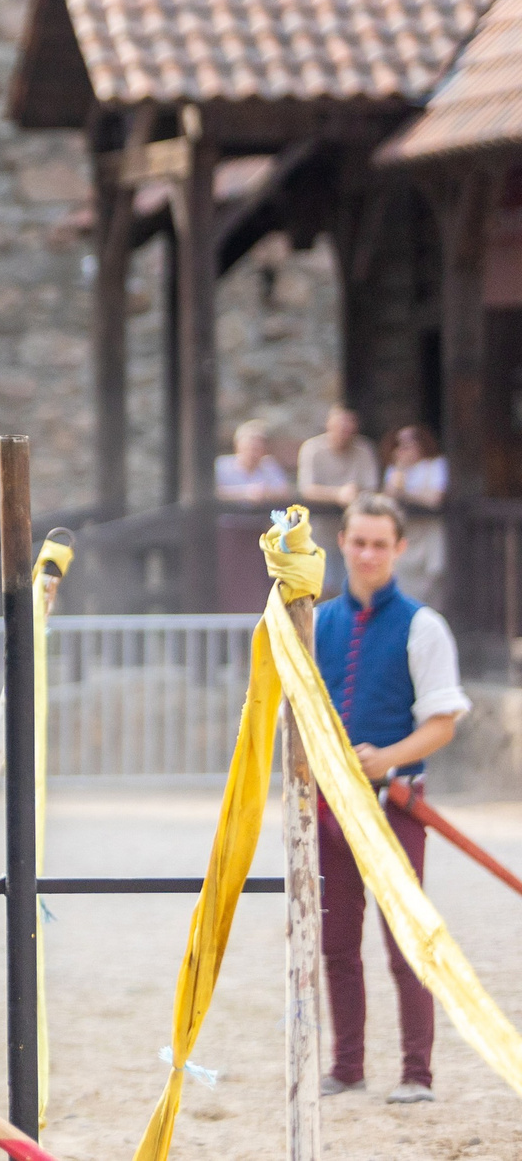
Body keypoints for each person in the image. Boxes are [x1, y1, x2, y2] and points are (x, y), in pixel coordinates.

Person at [313, 493, 471, 1105]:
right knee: (335, 943)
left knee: (408, 940)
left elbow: (443, 722)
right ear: (344, 543)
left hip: (397, 805)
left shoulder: (423, 626)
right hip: (329, 809)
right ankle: (347, 1067)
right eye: (359, 541)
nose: (369, 553)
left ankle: (416, 1074)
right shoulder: (317, 622)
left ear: (399, 549)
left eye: (381, 543)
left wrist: (390, 757)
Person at [298, 405, 379, 591]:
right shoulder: (313, 449)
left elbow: (372, 488)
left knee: (356, 585)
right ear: (329, 425)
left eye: (349, 426)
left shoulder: (364, 449)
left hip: (355, 532)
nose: (345, 431)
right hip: (320, 532)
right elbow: (307, 489)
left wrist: (354, 494)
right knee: (320, 587)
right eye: (340, 425)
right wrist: (338, 494)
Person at [381, 425, 447, 604]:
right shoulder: (395, 470)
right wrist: (400, 470)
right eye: (400, 445)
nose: (404, 449)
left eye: (409, 444)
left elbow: (434, 498)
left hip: (429, 531)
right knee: (404, 576)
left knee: (435, 572)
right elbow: (389, 499)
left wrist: (407, 493)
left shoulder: (435, 465)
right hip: (408, 532)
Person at [215, 419, 293, 507]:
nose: (253, 453)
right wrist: (245, 493)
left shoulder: (269, 465)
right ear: (238, 446)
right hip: (229, 517)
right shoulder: (221, 465)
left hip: (262, 517)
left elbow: (285, 493)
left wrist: (267, 493)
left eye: (257, 448)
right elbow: (210, 493)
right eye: (249, 447)